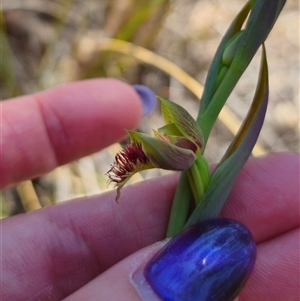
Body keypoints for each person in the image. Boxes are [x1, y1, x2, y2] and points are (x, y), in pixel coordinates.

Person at [1, 79, 299, 301]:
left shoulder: (191, 154)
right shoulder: (190, 155)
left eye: (165, 137)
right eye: (161, 138)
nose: (159, 138)